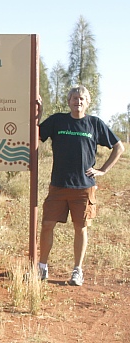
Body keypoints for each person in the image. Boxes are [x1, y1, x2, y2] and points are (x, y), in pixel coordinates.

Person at [37, 85, 124, 286]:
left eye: (82, 99)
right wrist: (39, 115)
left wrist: (102, 170)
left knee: (81, 228)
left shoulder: (94, 124)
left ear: (87, 103)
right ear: (68, 102)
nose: (78, 101)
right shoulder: (58, 120)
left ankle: (77, 271)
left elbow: (119, 147)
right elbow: (36, 136)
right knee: (47, 225)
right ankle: (42, 268)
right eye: (74, 98)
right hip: (58, 185)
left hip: (84, 187)